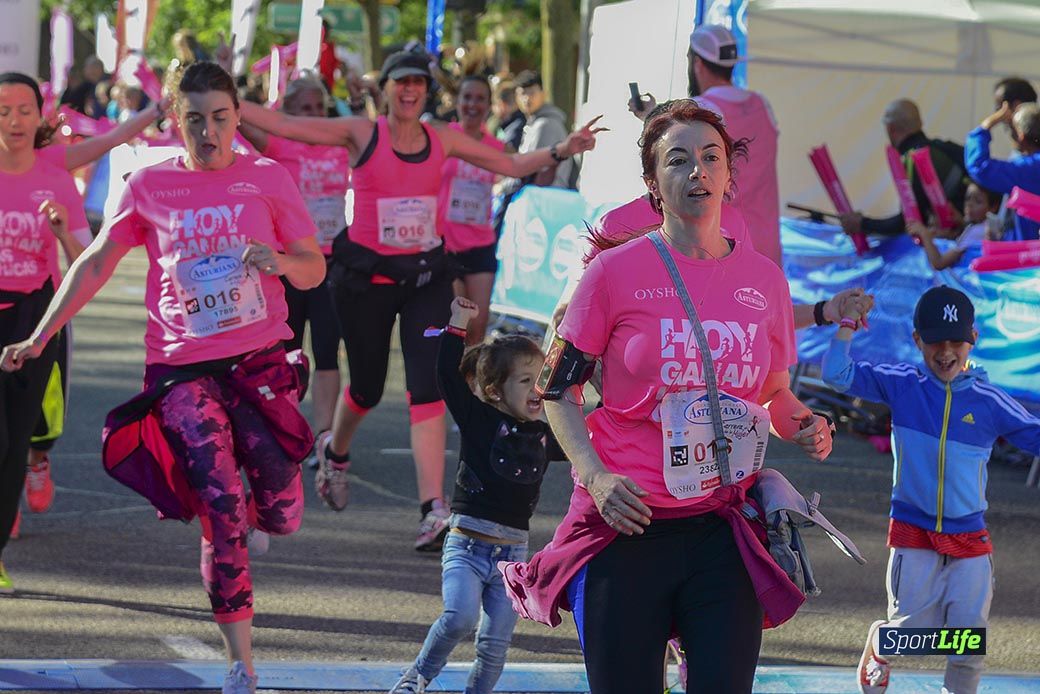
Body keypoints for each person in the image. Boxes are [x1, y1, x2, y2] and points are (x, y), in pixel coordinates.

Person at [1, 61, 325, 694]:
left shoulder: (266, 178)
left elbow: (313, 268)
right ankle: (242, 661)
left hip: (258, 362)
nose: (209, 133)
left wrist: (282, 261)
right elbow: (94, 263)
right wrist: (40, 336)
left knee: (280, 511)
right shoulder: (148, 184)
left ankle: (269, 500)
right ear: (176, 121)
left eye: (222, 119)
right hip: (180, 366)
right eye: (195, 119)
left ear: (238, 117)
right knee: (221, 502)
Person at [501, 100, 835, 694]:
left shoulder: (764, 281)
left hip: (722, 525)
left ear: (731, 175)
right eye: (678, 161)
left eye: (711, 158)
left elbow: (774, 393)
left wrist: (806, 424)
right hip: (628, 526)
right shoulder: (613, 273)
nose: (697, 173)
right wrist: (596, 478)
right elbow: (558, 389)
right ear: (655, 184)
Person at [237, 50, 602, 550]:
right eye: (400, 82)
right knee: (364, 388)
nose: (409, 90)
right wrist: (227, 101)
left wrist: (564, 149)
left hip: (426, 275)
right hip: (365, 278)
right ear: (385, 89)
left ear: (427, 91)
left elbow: (511, 163)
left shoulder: (441, 138)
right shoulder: (362, 134)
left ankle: (434, 509)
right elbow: (284, 125)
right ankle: (335, 452)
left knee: (428, 386)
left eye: (417, 83)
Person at [821, 285, 1040, 694]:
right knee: (909, 636)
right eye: (934, 341)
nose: (945, 352)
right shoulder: (902, 384)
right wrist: (848, 323)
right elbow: (836, 373)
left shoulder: (989, 401)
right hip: (912, 533)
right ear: (917, 339)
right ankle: (882, 645)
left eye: (956, 341)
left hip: (969, 537)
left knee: (969, 641)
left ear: (973, 338)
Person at [390, 296, 551, 694]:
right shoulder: (480, 418)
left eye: (542, 379)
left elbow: (595, 436)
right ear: (495, 391)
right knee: (458, 618)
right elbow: (446, 374)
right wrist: (458, 324)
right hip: (466, 544)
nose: (537, 390)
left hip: (512, 556)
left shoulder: (549, 434)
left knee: (494, 645)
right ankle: (416, 678)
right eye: (526, 380)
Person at [0, 72, 93, 591]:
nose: (14, 120)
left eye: (23, 109)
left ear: (40, 117)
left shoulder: (56, 179)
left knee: (21, 438)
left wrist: (61, 232)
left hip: (35, 319)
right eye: (2, 110)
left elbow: (87, 265)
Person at [237, 75, 349, 455]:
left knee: (327, 349)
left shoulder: (340, 147)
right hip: (286, 264)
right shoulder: (277, 144)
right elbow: (234, 118)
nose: (315, 116)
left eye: (320, 108)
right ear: (288, 113)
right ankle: (282, 428)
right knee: (286, 348)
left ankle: (323, 438)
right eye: (305, 109)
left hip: (332, 263)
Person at [630, 25, 783, 267]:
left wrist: (652, 118)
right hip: (767, 246)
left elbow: (670, 143)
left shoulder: (703, 110)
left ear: (697, 63)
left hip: (725, 245)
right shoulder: (761, 103)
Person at [438, 75, 504, 344]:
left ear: (489, 105)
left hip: (480, 244)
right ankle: (442, 380)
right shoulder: (443, 137)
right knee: (455, 321)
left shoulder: (497, 148)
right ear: (457, 101)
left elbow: (524, 168)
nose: (472, 104)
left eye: (480, 99)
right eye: (467, 97)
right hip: (445, 245)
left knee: (477, 328)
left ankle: (465, 384)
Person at [841, 100, 967, 239]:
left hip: (951, 241)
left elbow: (908, 222)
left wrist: (863, 224)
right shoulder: (946, 148)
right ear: (920, 123)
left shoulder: (911, 159)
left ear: (890, 128)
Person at [965, 102, 1040, 241]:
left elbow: (979, 165)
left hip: (1032, 254)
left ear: (1021, 136)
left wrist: (987, 125)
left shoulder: (1029, 169)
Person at [912, 181, 1002, 271]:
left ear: (993, 207)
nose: (969, 204)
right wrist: (961, 221)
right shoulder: (987, 225)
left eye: (978, 201)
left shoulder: (976, 232)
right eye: (967, 198)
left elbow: (939, 263)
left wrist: (925, 235)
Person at [492, 80, 524, 152]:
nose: (493, 109)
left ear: (501, 104)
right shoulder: (511, 125)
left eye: (495, 104)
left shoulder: (515, 129)